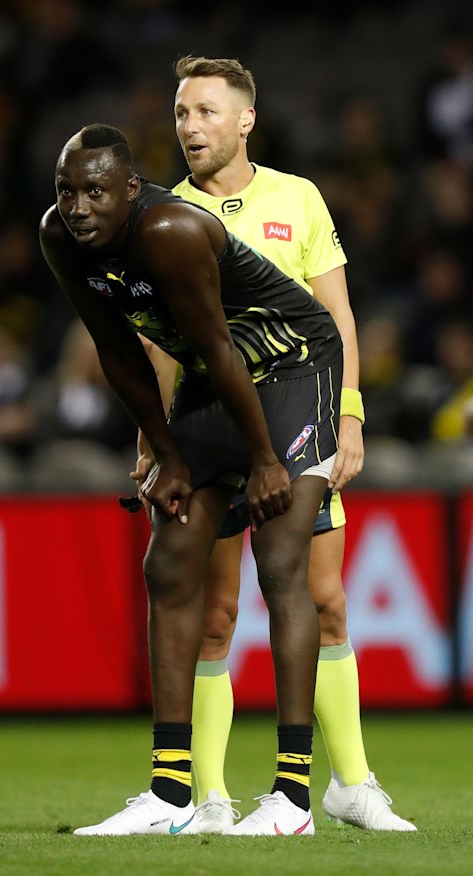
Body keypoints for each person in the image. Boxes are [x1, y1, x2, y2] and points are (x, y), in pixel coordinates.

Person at [132, 55, 416, 833]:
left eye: (206, 111)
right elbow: (160, 348)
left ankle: (350, 785)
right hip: (211, 432)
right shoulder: (164, 216)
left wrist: (349, 415)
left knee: (322, 600)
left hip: (299, 421)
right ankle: (210, 799)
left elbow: (339, 315)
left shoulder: (299, 197)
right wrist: (155, 442)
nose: (190, 126)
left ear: (245, 119)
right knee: (216, 612)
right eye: (183, 112)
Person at [40, 123, 344, 836]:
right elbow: (117, 352)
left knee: (279, 562)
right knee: (171, 560)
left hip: (293, 362)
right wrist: (170, 454)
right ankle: (170, 795)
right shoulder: (60, 238)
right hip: (221, 376)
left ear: (132, 190)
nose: (79, 207)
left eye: (95, 192)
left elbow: (214, 342)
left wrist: (266, 459)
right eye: (67, 191)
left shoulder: (173, 229)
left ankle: (292, 798)